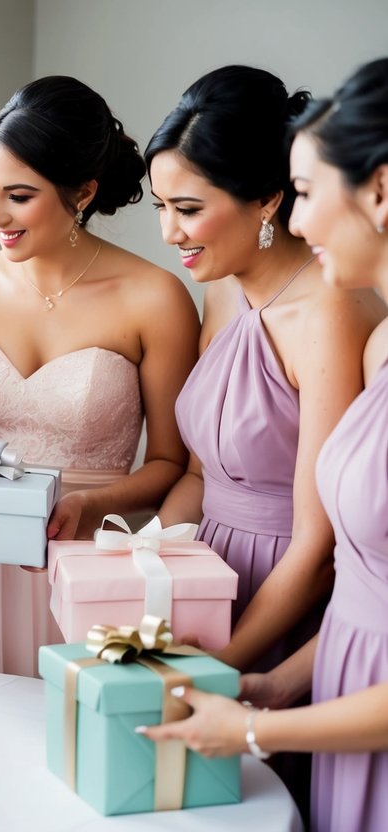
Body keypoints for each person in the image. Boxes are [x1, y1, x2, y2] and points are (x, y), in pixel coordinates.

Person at [142, 57, 388, 832]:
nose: (168, 231)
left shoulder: (337, 313)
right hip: (243, 598)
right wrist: (142, 558)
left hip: (298, 604)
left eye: (187, 207)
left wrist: (241, 679)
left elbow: (324, 547)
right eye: (158, 205)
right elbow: (195, 471)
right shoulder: (223, 294)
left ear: (267, 202)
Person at [0, 76, 199, 678]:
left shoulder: (155, 298)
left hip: (85, 562)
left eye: (19, 195)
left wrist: (90, 504)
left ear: (83, 192)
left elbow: (171, 463)